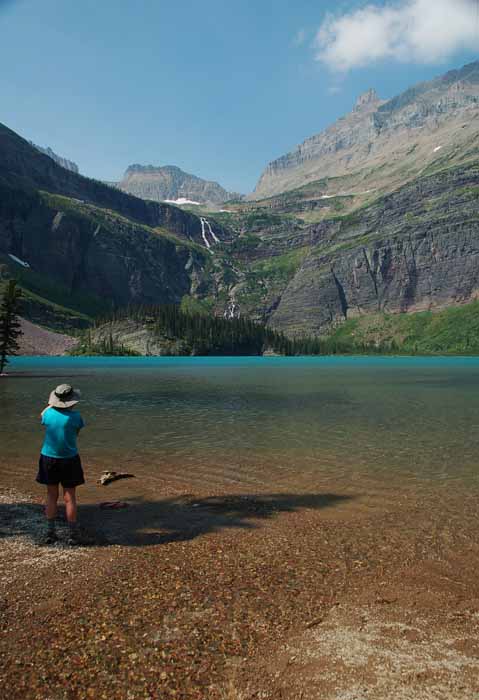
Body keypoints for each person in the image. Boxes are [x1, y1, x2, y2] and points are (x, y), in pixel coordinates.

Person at [36, 384, 85, 545]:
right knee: (70, 497)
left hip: (48, 458)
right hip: (69, 459)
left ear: (55, 400)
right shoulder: (76, 417)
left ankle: (50, 532)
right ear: (72, 401)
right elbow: (76, 434)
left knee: (51, 495)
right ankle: (73, 535)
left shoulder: (48, 414)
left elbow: (41, 416)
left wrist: (51, 404)